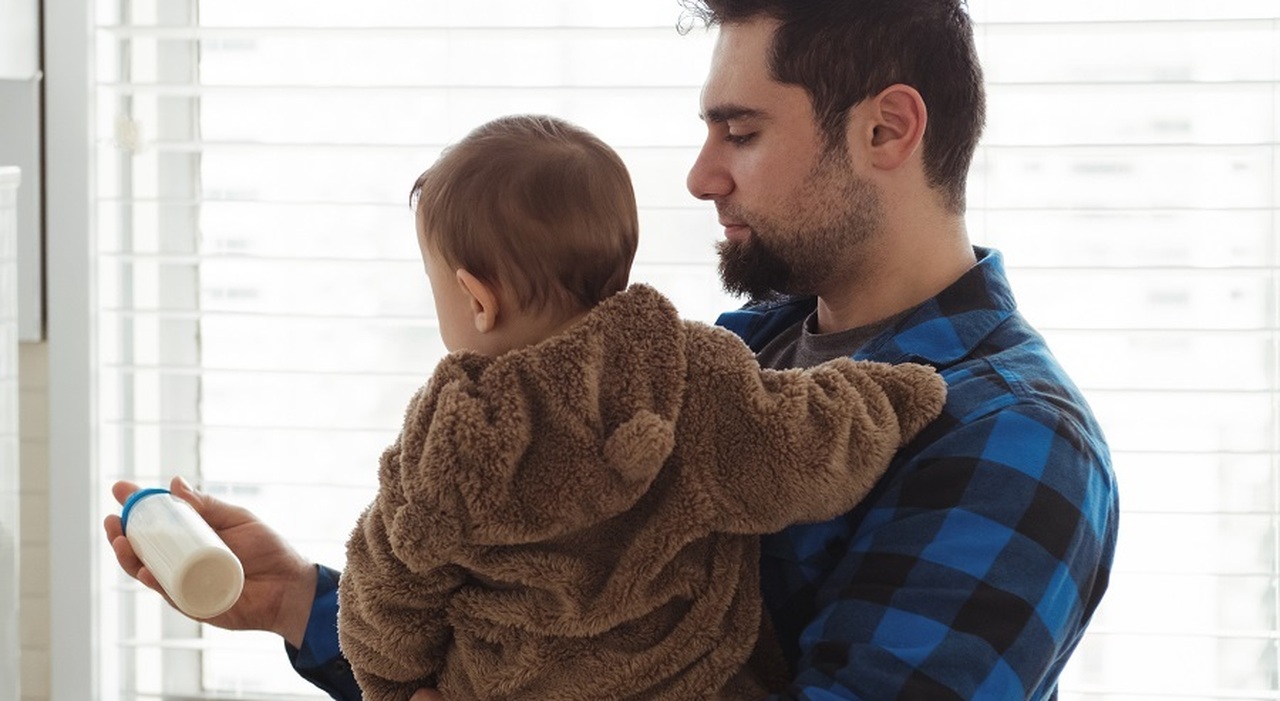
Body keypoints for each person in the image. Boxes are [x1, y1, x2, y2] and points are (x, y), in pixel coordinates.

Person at [105, 0, 1120, 699]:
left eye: (741, 131)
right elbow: (573, 610)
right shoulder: (732, 355)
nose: (698, 175)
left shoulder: (1011, 440)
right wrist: (297, 600)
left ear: (887, 130)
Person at [336, 113, 944, 700]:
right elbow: (808, 450)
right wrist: (892, 395)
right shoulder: (690, 377)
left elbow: (384, 595)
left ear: (477, 300)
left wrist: (396, 687)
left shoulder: (446, 440)